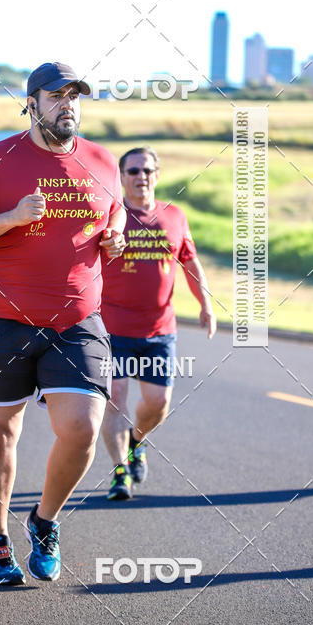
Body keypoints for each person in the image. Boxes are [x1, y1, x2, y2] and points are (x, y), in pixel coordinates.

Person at [0, 62, 126, 585]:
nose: (68, 104)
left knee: (82, 428)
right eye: (56, 95)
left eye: (75, 96)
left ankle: (43, 521)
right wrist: (11, 219)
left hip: (76, 321)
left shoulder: (101, 161)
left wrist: (114, 239)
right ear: (32, 102)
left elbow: (112, 216)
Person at [100, 147, 217, 500]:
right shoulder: (111, 216)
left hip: (159, 330)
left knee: (157, 404)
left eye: (147, 170)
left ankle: (136, 442)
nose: (141, 177)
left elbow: (191, 263)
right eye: (133, 171)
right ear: (121, 177)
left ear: (157, 174)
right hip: (112, 327)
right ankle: (120, 471)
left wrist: (206, 304)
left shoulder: (175, 216)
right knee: (115, 398)